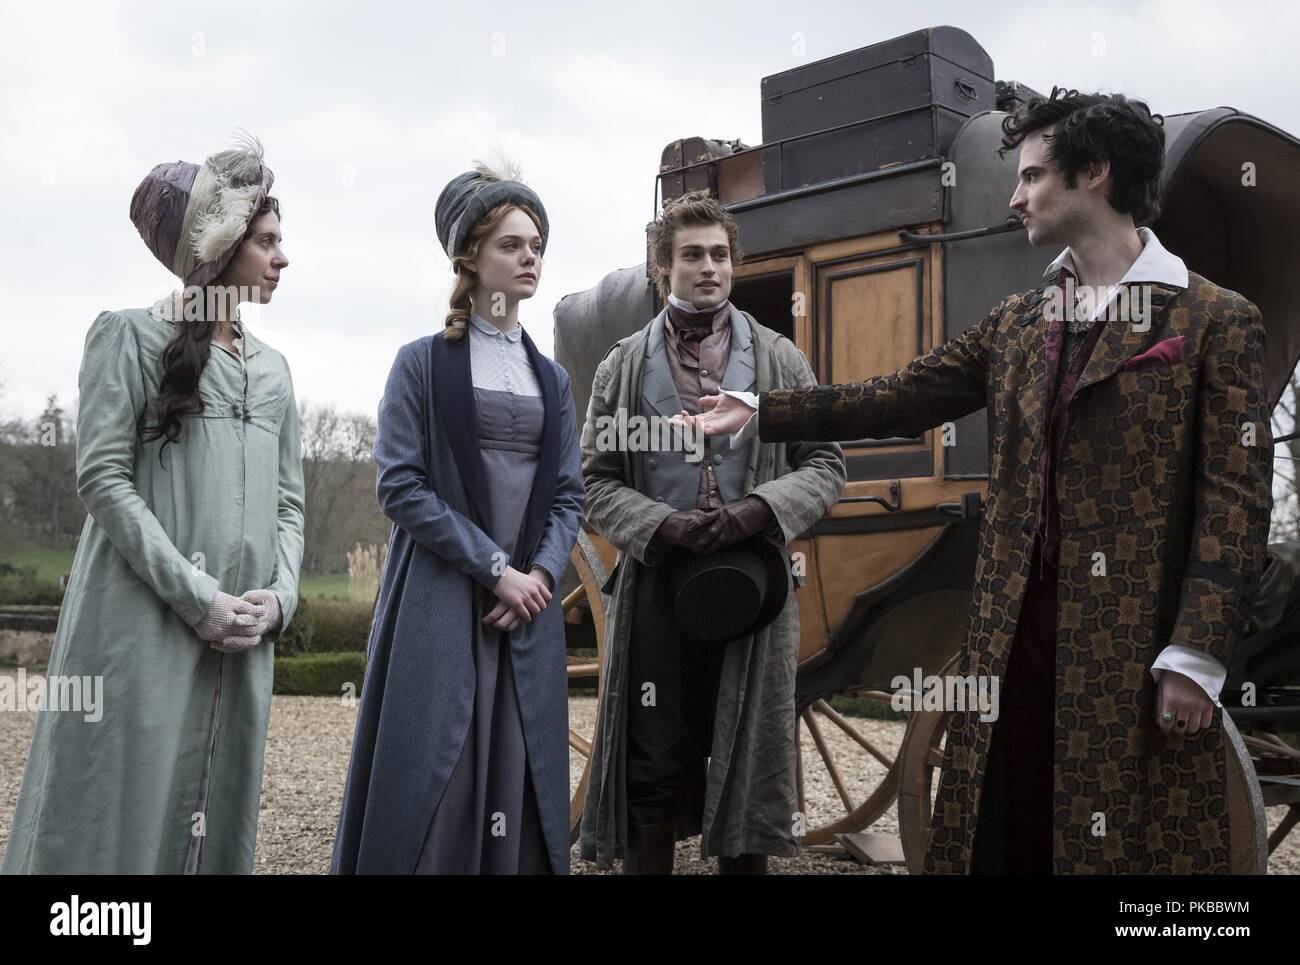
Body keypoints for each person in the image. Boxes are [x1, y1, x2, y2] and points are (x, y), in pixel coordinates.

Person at [687, 88, 1273, 874]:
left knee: (1136, 850)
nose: (1016, 196)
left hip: (1138, 638)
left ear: (1094, 173)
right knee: (1009, 824)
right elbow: (899, 395)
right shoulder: (1020, 322)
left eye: (1032, 177)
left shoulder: (1215, 320)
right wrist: (762, 409)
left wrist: (1196, 652)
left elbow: (1234, 500)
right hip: (1013, 630)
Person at [2, 134, 303, 874]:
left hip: (243, 642)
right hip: (141, 625)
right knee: (113, 817)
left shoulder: (275, 372)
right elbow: (103, 478)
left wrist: (281, 600)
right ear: (222, 245)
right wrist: (197, 594)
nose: (283, 257)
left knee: (213, 815)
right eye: (266, 241)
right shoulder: (130, 338)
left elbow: (292, 506)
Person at [577, 190, 846, 874]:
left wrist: (758, 510)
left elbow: (826, 463)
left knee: (749, 757)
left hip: (750, 587)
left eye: (720, 254)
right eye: (692, 254)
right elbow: (593, 479)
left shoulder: (780, 360)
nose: (710, 267)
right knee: (651, 756)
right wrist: (660, 522)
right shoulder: (624, 366)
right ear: (662, 267)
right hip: (656, 586)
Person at [331, 158, 585, 875]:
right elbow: (401, 486)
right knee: (434, 770)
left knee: (521, 765)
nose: (530, 256)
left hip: (525, 609)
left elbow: (570, 492)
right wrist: (494, 568)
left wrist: (537, 574)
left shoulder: (553, 379)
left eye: (536, 244)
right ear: (469, 257)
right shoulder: (418, 364)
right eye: (512, 244)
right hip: (442, 599)